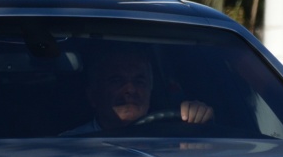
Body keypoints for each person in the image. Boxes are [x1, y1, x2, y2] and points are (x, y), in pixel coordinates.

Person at [63, 46, 213, 135]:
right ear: (93, 96)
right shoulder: (67, 145)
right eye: (117, 81)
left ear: (150, 90)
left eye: (139, 81)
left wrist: (198, 118)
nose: (130, 89)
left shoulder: (173, 138)